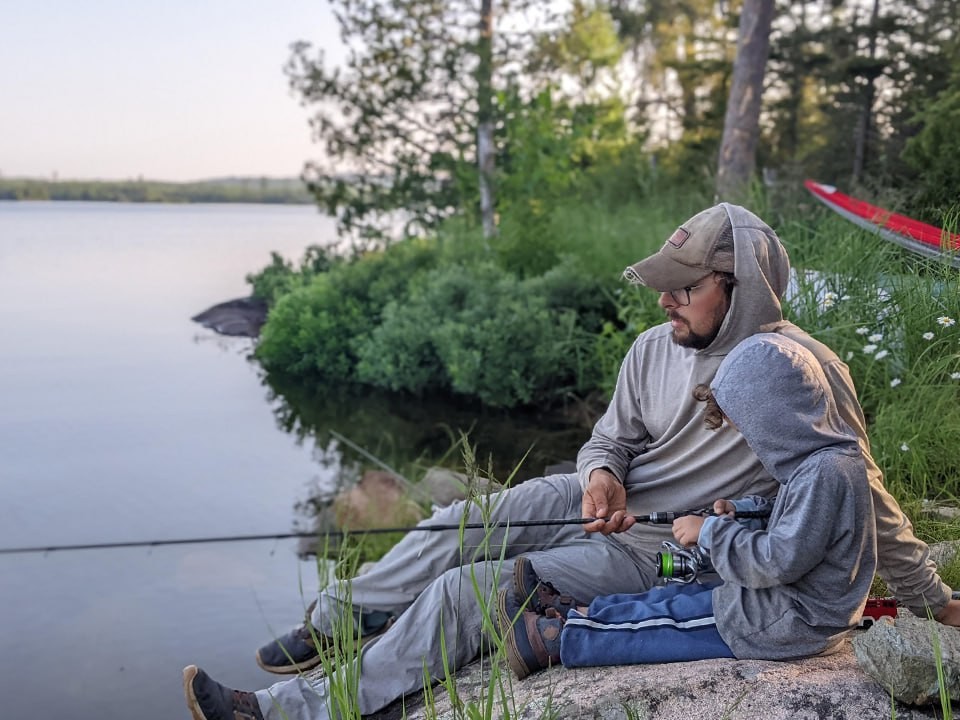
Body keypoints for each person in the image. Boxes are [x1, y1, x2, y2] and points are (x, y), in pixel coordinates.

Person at [182, 203, 960, 720]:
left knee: (470, 593)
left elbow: (863, 491)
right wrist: (601, 476)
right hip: (615, 501)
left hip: (668, 552)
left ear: (741, 285)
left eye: (685, 288)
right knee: (461, 520)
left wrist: (931, 598)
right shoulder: (654, 347)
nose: (666, 302)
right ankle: (337, 619)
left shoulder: (797, 370)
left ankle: (294, 711)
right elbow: (609, 439)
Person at [497, 332, 877, 677]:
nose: (748, 438)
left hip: (789, 623)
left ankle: (552, 639)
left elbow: (778, 560)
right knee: (672, 597)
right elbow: (793, 520)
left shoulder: (826, 473)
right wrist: (742, 510)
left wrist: (710, 531)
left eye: (747, 427)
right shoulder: (823, 463)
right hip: (779, 604)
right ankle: (574, 611)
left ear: (774, 416)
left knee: (668, 623)